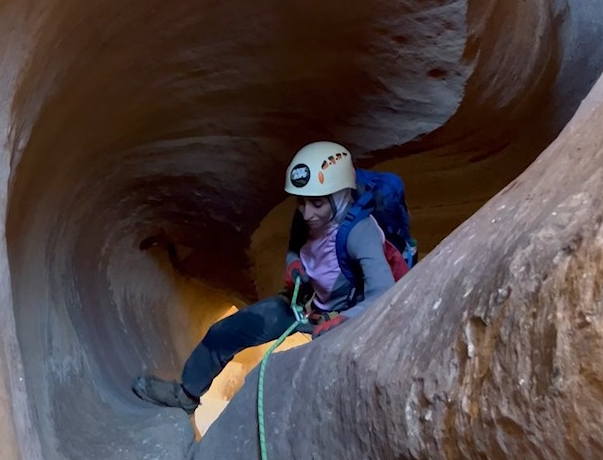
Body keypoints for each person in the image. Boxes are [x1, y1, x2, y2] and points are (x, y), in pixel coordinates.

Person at [132, 141, 403, 414]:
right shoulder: (310, 217)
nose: (307, 212)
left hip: (343, 317)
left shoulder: (361, 233)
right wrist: (294, 263)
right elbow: (297, 247)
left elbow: (383, 292)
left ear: (341, 194)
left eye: (317, 203)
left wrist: (345, 320)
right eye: (302, 202)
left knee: (318, 383)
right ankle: (186, 394)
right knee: (223, 333)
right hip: (304, 305)